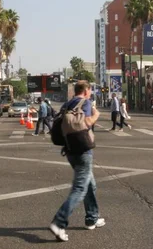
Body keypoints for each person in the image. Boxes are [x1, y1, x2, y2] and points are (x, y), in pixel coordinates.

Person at [49, 81, 103, 242]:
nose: (90, 93)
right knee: (80, 188)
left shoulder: (67, 104)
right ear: (86, 91)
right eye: (90, 91)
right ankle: (59, 222)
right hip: (83, 150)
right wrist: (96, 115)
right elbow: (85, 123)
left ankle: (92, 217)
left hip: (70, 150)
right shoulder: (84, 103)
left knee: (90, 184)